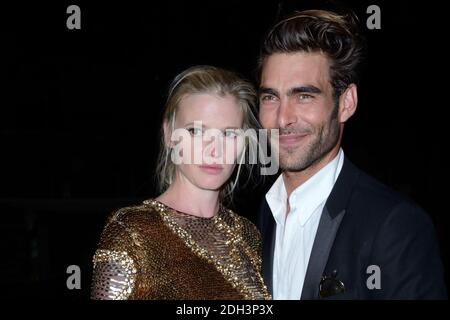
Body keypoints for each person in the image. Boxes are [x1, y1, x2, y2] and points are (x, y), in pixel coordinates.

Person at [257, 9, 447, 299]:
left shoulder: (396, 226)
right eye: (271, 97)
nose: (283, 118)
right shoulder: (262, 215)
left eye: (304, 96)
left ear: (346, 103)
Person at [91, 65, 271, 300]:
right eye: (196, 131)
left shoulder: (249, 235)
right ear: (169, 135)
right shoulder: (131, 231)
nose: (214, 151)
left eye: (229, 134)